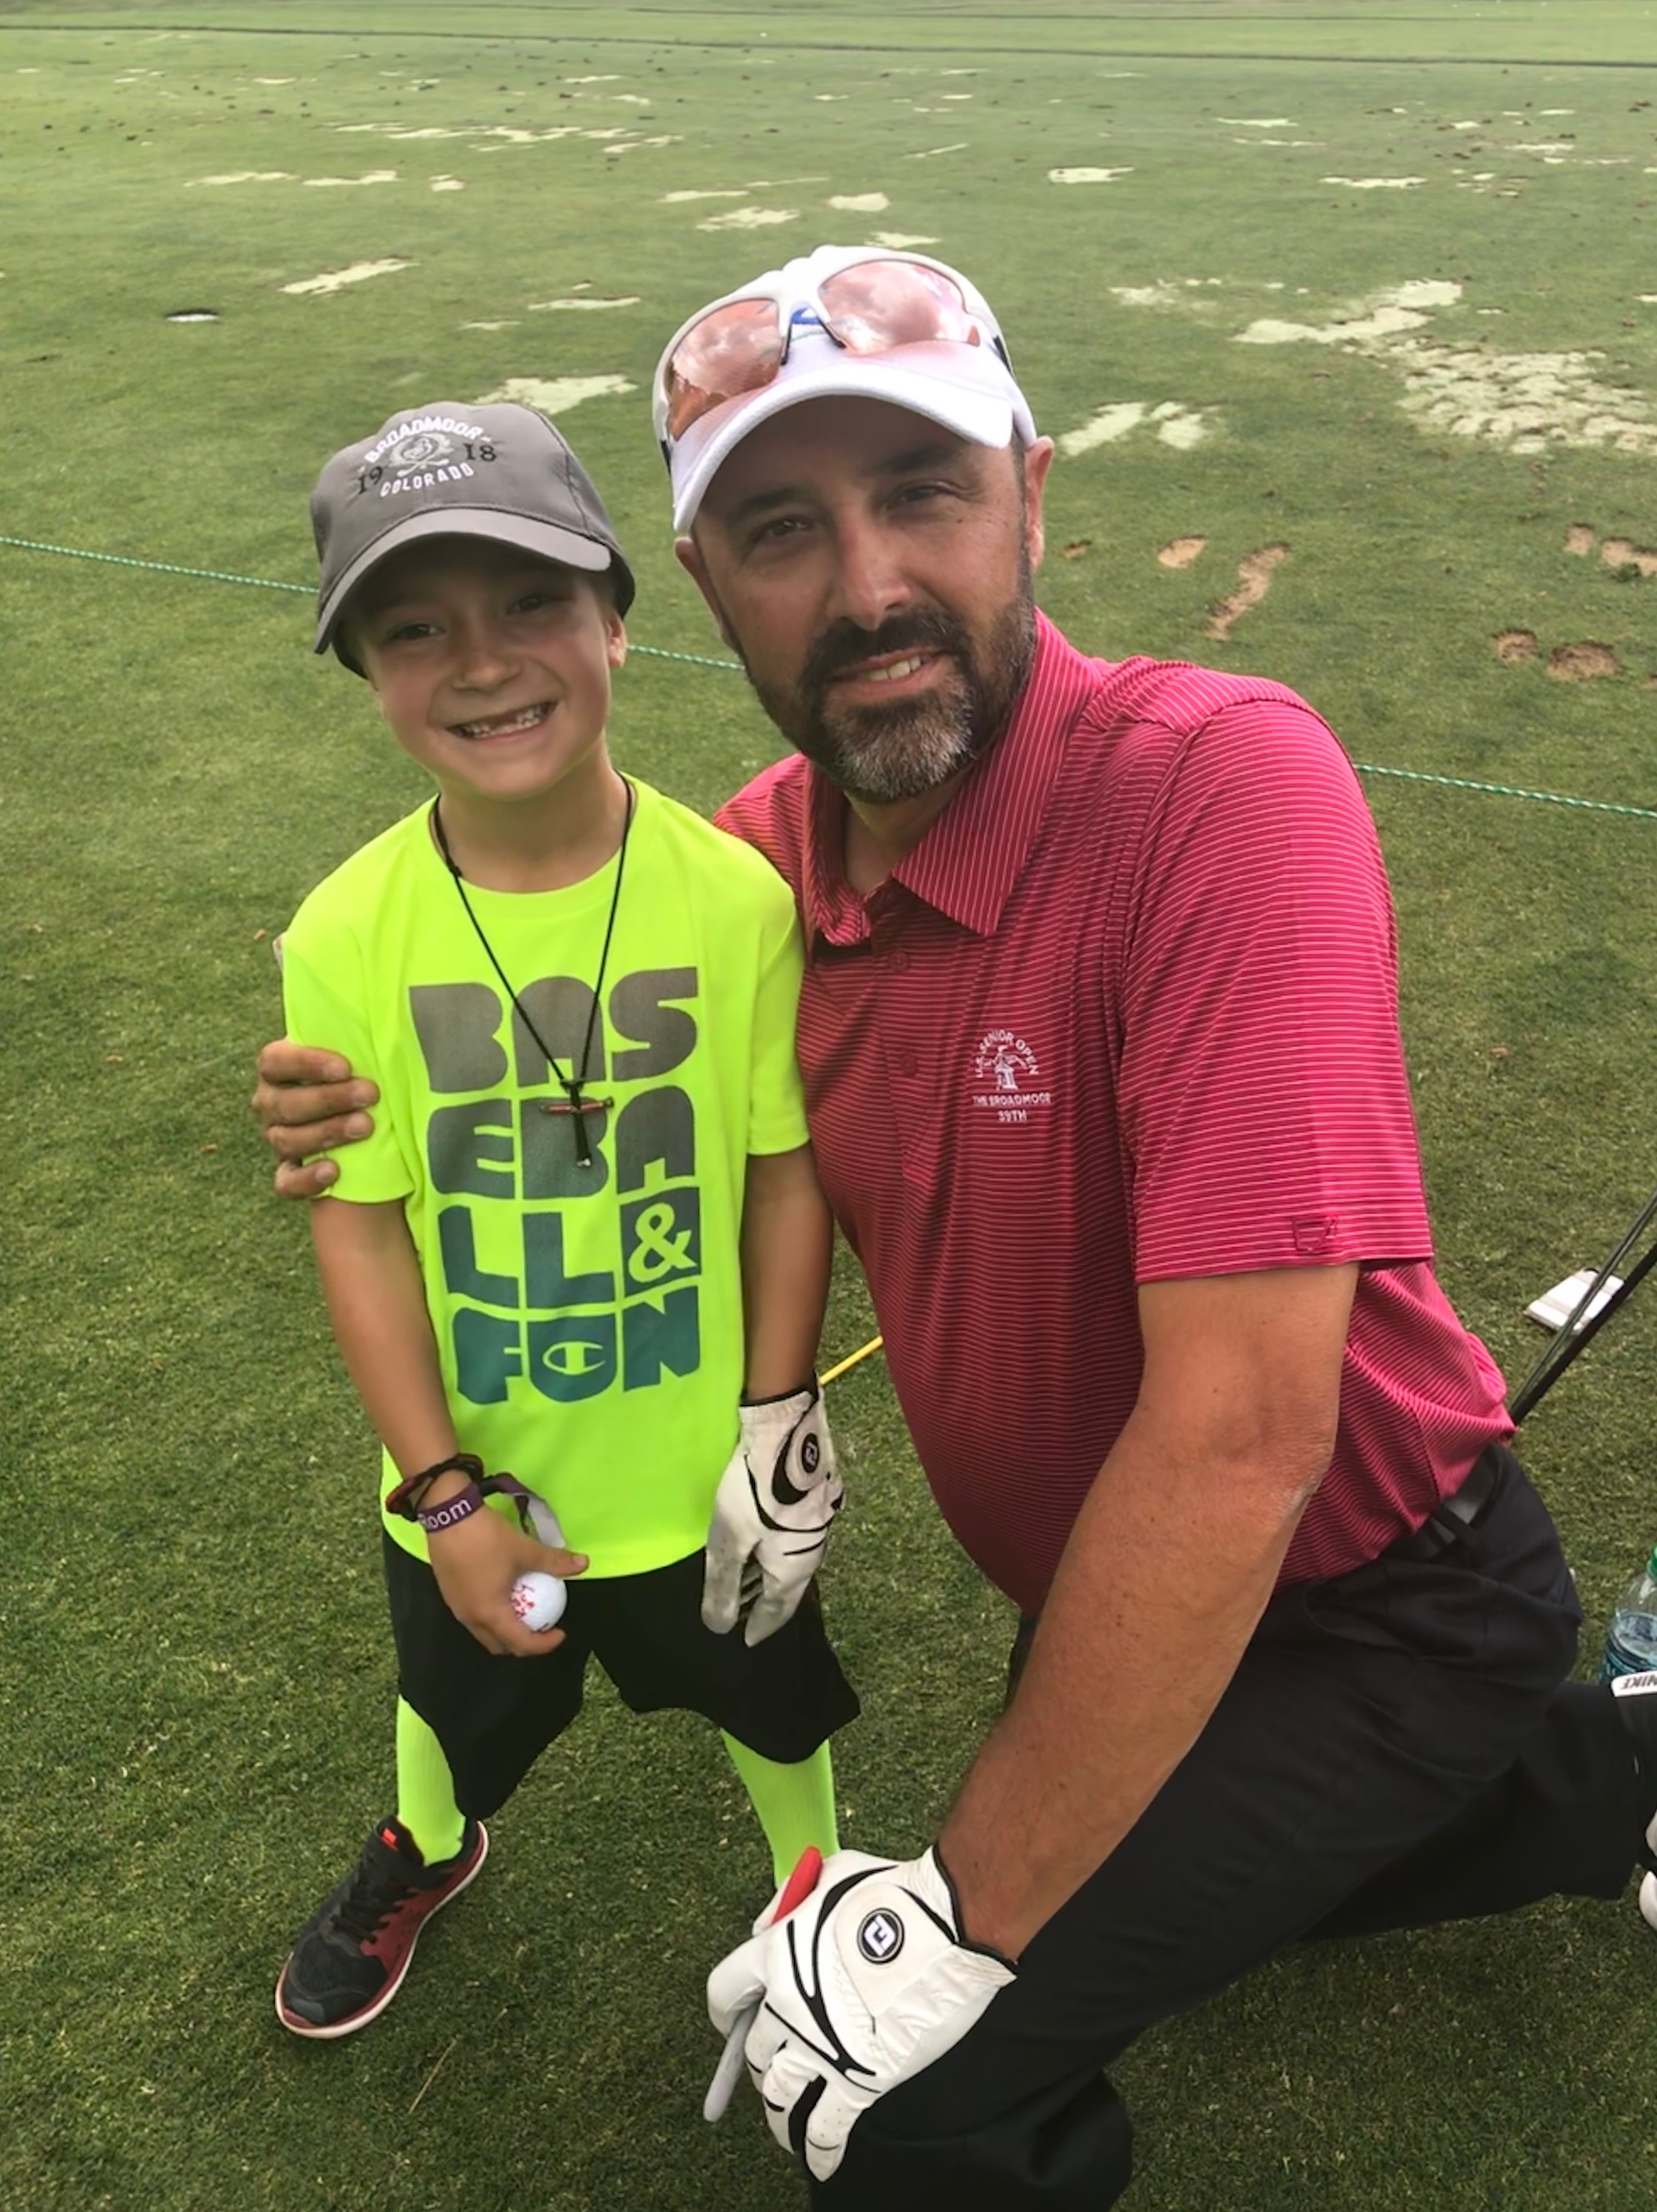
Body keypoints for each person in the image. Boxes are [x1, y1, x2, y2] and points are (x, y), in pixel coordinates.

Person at [253, 252, 1657, 2201]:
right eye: (777, 530)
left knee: (907, 2090)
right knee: (1254, 1879)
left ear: (1032, 491)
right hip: (1105, 1592)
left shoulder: (1217, 787)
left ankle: (1540, 1757)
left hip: (1380, 1600)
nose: (868, 587)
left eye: (922, 491)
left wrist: (965, 1917)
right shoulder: (747, 870)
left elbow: (1248, 1438)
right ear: (704, 583)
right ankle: (1620, 1771)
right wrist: (340, 1098)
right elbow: (551, 998)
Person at [267, 399, 856, 2042]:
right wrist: (442, 1492)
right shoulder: (346, 932)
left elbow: (782, 1169)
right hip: (481, 1466)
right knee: (450, 1698)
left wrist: (778, 1411)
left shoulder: (734, 897)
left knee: (770, 1691)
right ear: (368, 675)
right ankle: (427, 1846)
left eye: (530, 602)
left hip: (703, 1469)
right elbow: (361, 1226)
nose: (481, 662)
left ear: (615, 612)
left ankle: (813, 1893)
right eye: (414, 628)